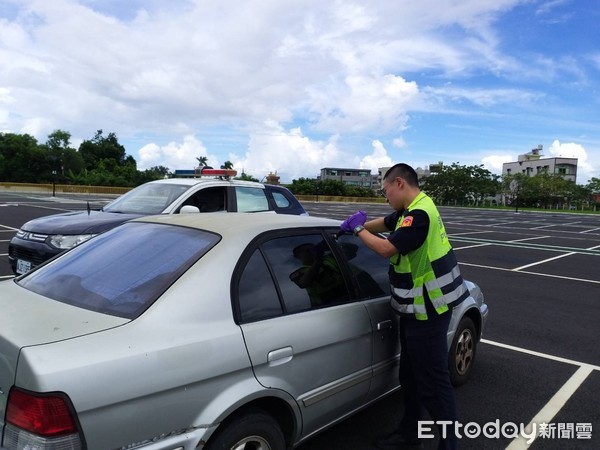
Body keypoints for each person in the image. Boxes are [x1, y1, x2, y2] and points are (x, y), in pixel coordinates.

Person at [340, 163, 469, 450]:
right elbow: (387, 222)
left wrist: (358, 229)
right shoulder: (410, 209)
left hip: (429, 311)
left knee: (434, 382)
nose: (384, 196)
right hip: (415, 310)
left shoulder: (420, 214)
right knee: (410, 376)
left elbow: (387, 249)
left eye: (385, 190)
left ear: (399, 183)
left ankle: (450, 445)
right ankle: (410, 432)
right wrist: (354, 224)